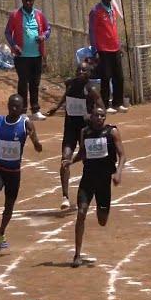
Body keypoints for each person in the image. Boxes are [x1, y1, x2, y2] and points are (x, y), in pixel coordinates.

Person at [62, 107, 126, 268]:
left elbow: (122, 155)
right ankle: (77, 255)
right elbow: (83, 152)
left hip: (104, 182)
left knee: (102, 220)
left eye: (102, 116)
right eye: (96, 115)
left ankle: (100, 209)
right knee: (81, 213)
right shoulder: (85, 132)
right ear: (91, 116)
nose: (99, 118)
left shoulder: (112, 133)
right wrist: (72, 161)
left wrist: (118, 172)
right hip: (88, 180)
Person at [0, 93, 43, 249]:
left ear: (23, 109)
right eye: (11, 105)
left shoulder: (26, 124)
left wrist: (35, 142)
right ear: (8, 105)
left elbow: (38, 146)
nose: (13, 108)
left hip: (14, 173)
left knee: (9, 207)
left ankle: (1, 232)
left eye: (17, 106)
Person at [46, 62, 105, 210]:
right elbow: (67, 95)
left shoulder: (91, 90)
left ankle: (95, 192)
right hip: (70, 129)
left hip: (86, 131)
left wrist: (92, 117)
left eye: (84, 70)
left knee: (90, 163)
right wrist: (57, 107)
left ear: (89, 73)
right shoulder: (70, 84)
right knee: (65, 159)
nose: (80, 72)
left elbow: (102, 108)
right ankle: (65, 196)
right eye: (78, 69)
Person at [4, 0, 52, 121]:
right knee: (23, 82)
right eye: (26, 1)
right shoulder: (15, 15)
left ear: (34, 1)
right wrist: (14, 45)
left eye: (30, 1)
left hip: (36, 55)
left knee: (35, 83)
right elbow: (8, 32)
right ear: (22, 1)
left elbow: (48, 29)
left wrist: (43, 37)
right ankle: (23, 111)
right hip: (22, 56)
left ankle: (35, 110)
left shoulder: (39, 14)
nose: (28, 3)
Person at [89, 0, 128, 114]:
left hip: (114, 48)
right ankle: (105, 104)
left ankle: (118, 102)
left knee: (119, 77)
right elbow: (92, 31)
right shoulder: (96, 11)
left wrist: (119, 45)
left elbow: (114, 30)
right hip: (103, 49)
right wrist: (95, 50)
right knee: (106, 77)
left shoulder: (113, 9)